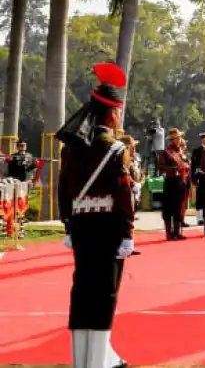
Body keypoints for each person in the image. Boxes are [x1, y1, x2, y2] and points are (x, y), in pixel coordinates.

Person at [56, 62, 136, 368]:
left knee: (82, 291)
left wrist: (67, 225)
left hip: (81, 227)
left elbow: (64, 191)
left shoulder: (72, 149)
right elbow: (123, 196)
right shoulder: (116, 149)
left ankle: (83, 359)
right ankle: (99, 360)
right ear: (111, 113)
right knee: (105, 294)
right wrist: (128, 233)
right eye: (117, 112)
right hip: (108, 229)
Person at [158, 128, 190, 240]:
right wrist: (176, 169)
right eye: (175, 138)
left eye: (178, 137)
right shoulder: (166, 153)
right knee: (169, 208)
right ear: (172, 140)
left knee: (179, 208)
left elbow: (187, 164)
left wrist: (186, 167)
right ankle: (169, 233)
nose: (178, 140)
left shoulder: (181, 152)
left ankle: (177, 231)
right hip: (171, 183)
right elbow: (161, 168)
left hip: (181, 182)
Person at [191, 132, 205, 226]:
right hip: (200, 177)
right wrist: (194, 179)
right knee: (199, 198)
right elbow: (193, 166)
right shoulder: (197, 151)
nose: (204, 139)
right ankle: (199, 218)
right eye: (202, 138)